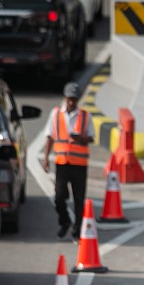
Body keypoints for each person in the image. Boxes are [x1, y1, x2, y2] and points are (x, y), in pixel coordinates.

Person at [42, 81, 95, 241]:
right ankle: (65, 221)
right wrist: (46, 158)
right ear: (65, 98)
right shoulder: (56, 114)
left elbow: (91, 138)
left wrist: (81, 139)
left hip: (79, 165)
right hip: (62, 162)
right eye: (69, 98)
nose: (72, 102)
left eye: (75, 99)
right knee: (59, 197)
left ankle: (77, 230)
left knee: (79, 199)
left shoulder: (85, 116)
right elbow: (50, 136)